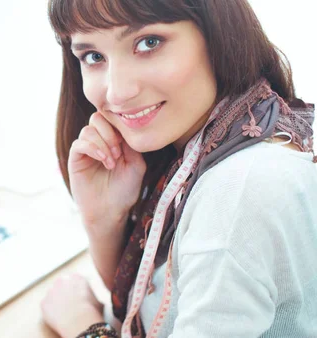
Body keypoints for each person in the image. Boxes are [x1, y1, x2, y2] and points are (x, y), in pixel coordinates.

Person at [40, 0, 317, 337]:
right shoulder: (225, 133)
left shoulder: (238, 193)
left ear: (218, 35)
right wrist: (103, 219)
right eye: (94, 56)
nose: (118, 92)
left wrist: (81, 324)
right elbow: (145, 306)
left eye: (148, 42)